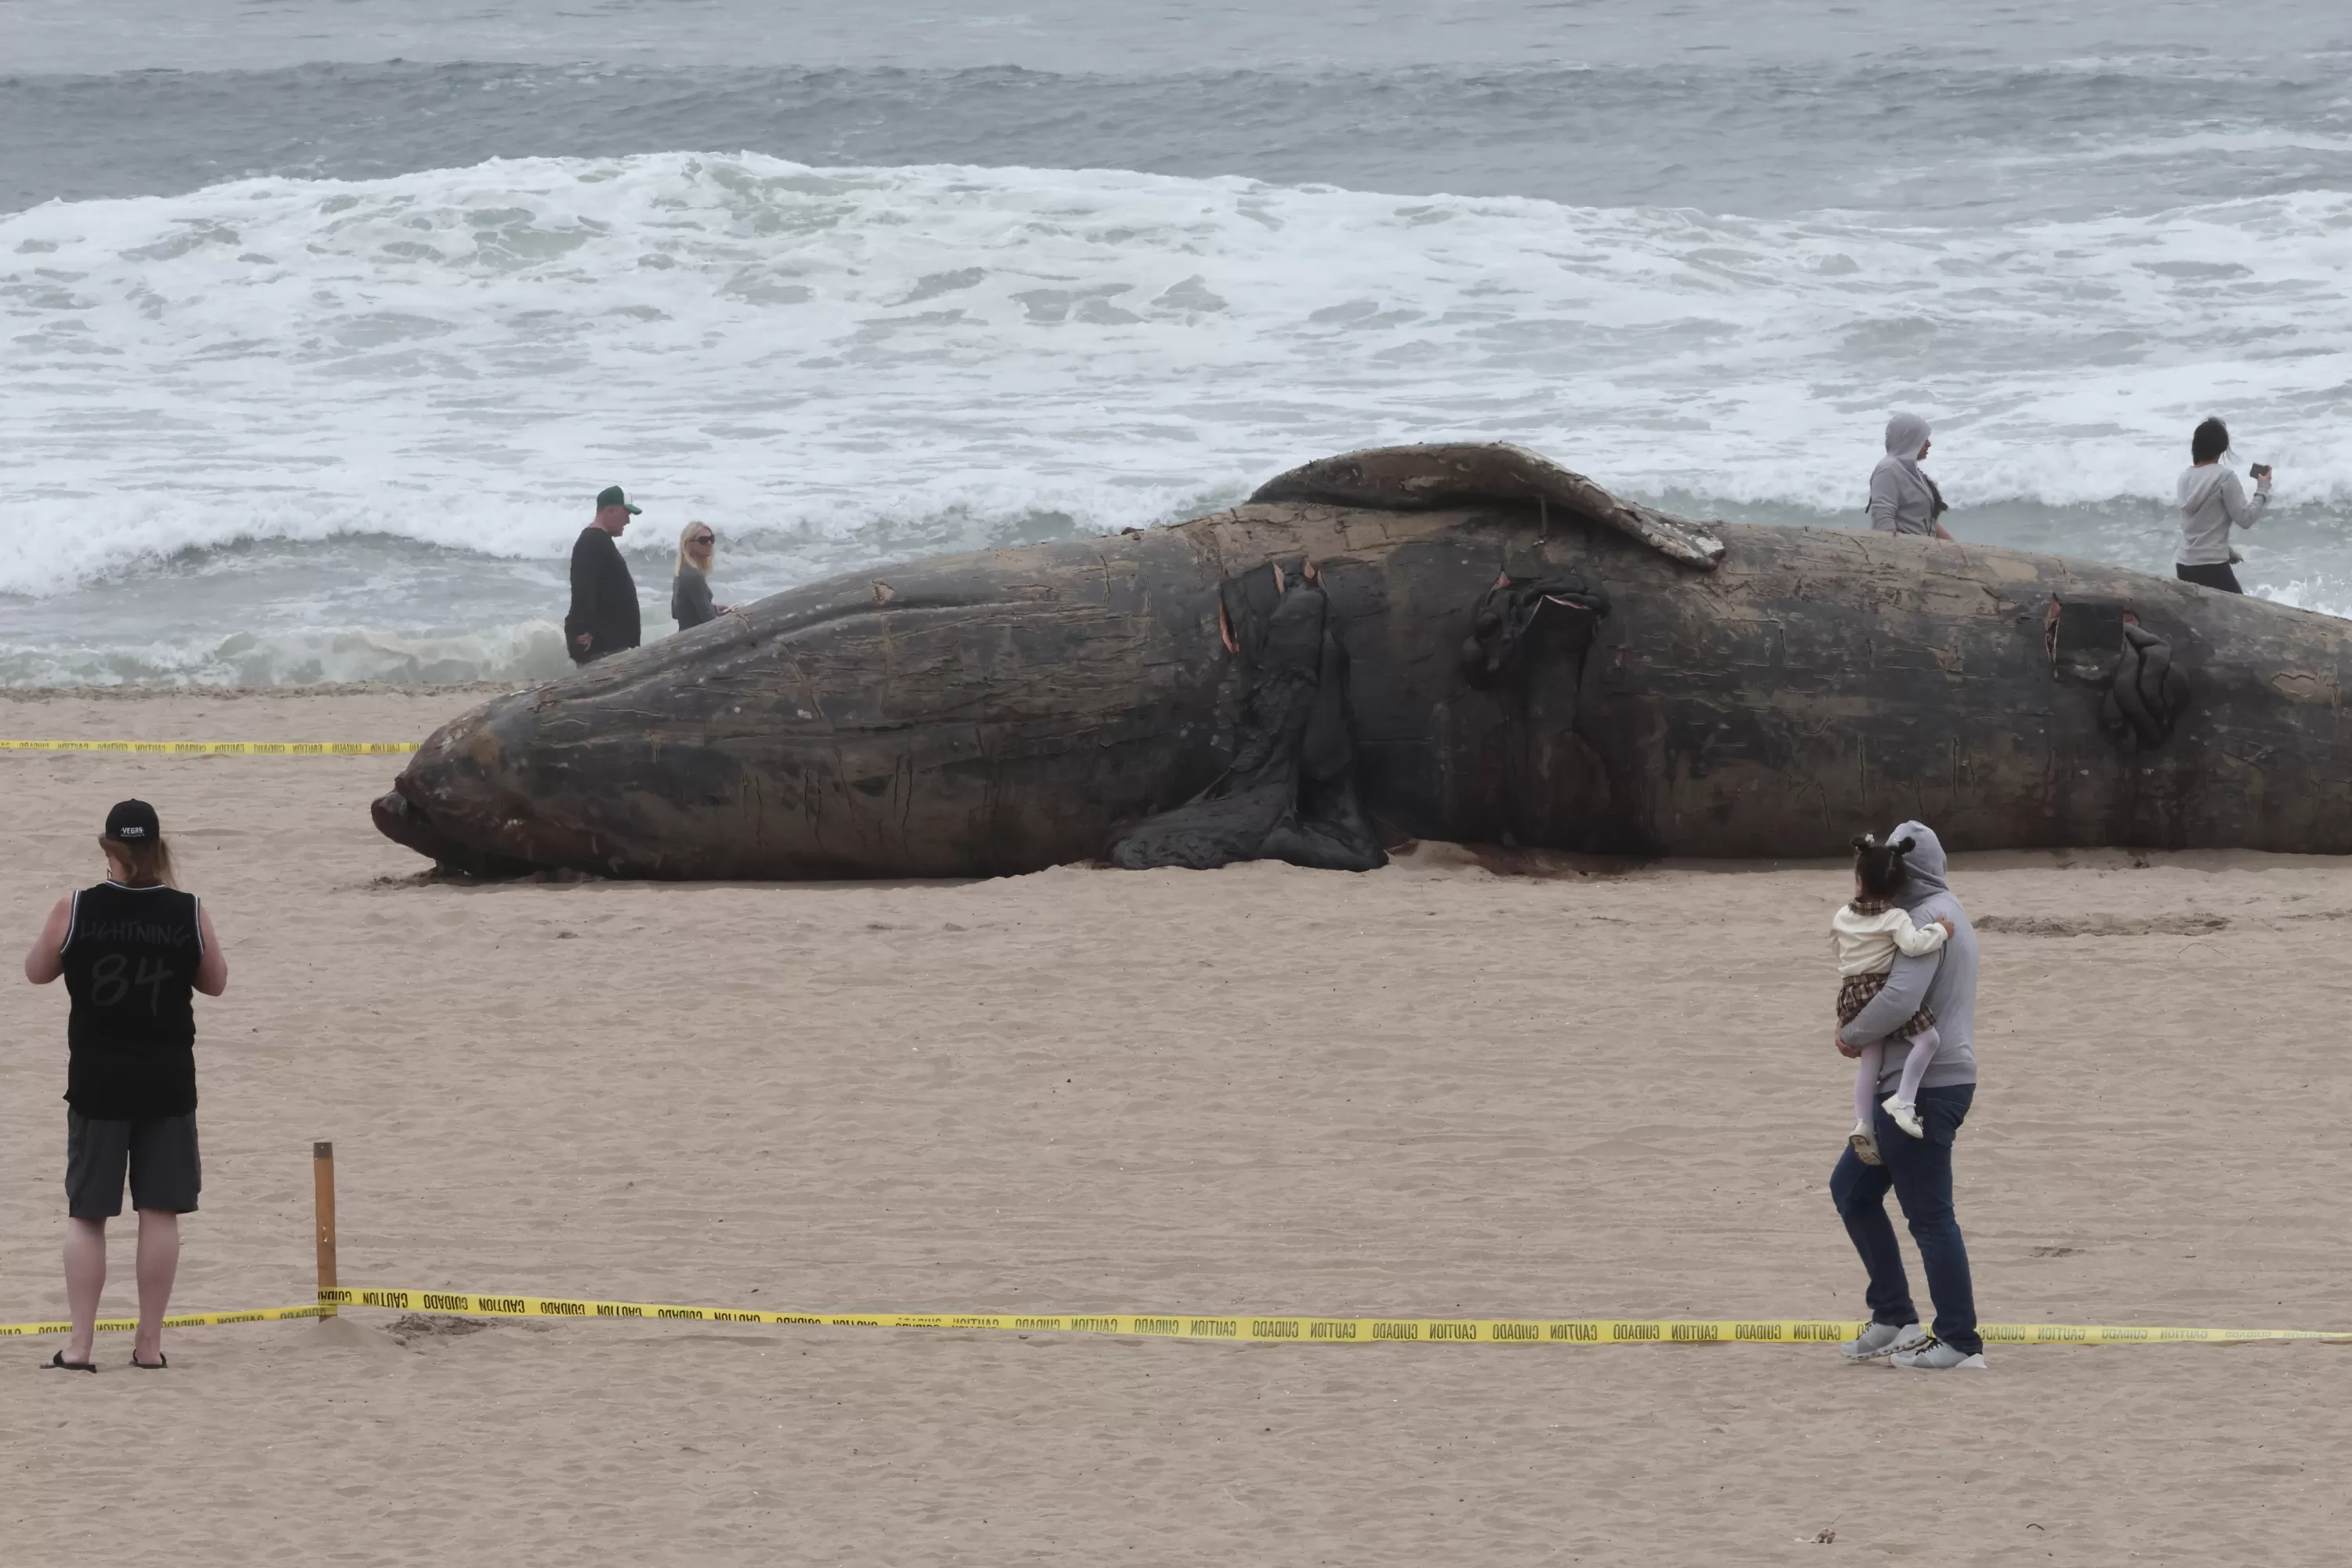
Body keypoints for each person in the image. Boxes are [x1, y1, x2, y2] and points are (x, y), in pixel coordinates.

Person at [22, 800, 227, 1372]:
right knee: (160, 1211)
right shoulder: (187, 910)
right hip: (166, 1079)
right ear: (159, 848)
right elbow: (216, 982)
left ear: (107, 848)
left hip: (98, 1079)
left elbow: (36, 970)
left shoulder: (78, 907)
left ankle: (81, 1345)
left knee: (88, 1214)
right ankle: (149, 1344)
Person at [1829, 820, 1985, 1371]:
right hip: (1913, 1081)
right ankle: (1894, 1317)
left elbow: (1900, 999)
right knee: (1851, 1191)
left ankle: (1960, 1342)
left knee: (1930, 1218)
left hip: (1926, 1086)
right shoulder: (1941, 907)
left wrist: (1850, 1035)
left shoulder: (1922, 919)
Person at [1831, 833, 1951, 1160]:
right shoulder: (1895, 917)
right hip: (1878, 989)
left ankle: (1863, 1124)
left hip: (1851, 992)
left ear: (1858, 881)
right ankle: (1905, 1100)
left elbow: (1838, 949)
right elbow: (1914, 945)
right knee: (1928, 1041)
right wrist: (1940, 931)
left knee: (1869, 1064)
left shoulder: (1842, 915)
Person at [2175, 416, 2272, 593]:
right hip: (2211, 566)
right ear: (2222, 448)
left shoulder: (2184, 478)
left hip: (2183, 564)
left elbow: (2195, 527)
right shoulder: (2225, 477)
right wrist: (2263, 489)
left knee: (2201, 619)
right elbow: (2246, 519)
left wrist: (2226, 551)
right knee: (2242, 615)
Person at [566, 485, 643, 664]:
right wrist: (582, 630)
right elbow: (582, 590)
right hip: (604, 650)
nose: (628, 521)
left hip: (612, 647)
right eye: (627, 514)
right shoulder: (591, 542)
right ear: (611, 510)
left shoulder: (600, 541)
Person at [1867, 413, 1954, 540]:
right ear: (1910, 439)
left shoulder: (1912, 471)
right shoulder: (1888, 470)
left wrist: (1955, 547)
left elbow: (1926, 520)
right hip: (1906, 554)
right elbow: (1883, 522)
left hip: (1924, 550)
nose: (1929, 444)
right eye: (1923, 439)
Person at [672, 521, 730, 631]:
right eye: (703, 540)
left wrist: (714, 609)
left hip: (684, 634)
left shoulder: (681, 571)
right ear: (688, 544)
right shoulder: (694, 576)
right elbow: (709, 619)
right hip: (696, 639)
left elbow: (676, 612)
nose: (709, 543)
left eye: (711, 539)